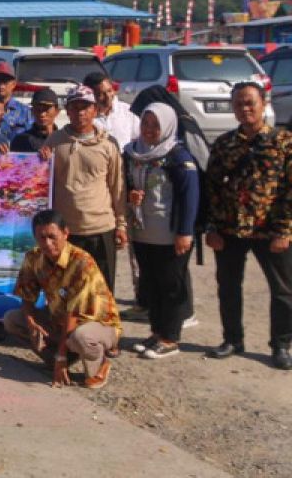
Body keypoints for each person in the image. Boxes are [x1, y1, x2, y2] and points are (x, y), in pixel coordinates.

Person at [204, 82, 292, 369]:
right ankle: (232, 338)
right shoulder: (224, 144)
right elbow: (213, 188)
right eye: (239, 104)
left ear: (263, 103)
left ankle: (281, 344)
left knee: (283, 290)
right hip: (231, 229)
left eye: (250, 103)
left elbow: (289, 190)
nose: (244, 109)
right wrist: (213, 228)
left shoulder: (283, 142)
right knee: (228, 286)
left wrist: (284, 229)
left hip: (270, 229)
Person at [3, 209, 121, 390]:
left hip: (95, 322)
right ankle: (57, 359)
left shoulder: (82, 262)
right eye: (41, 238)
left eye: (53, 237)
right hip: (60, 320)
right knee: (12, 320)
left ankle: (99, 364)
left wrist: (61, 356)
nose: (48, 243)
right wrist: (31, 321)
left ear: (66, 233)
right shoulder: (33, 257)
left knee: (81, 337)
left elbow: (73, 313)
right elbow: (27, 295)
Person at [123, 103, 198, 359]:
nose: (150, 130)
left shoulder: (178, 157)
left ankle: (170, 338)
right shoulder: (133, 153)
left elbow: (190, 197)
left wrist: (185, 232)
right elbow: (126, 183)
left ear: (167, 126)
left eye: (156, 125)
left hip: (170, 234)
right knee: (151, 284)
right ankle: (156, 332)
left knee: (171, 286)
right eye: (146, 123)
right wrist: (130, 195)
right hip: (144, 232)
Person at [44, 85, 128, 296]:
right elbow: (44, 184)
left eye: (85, 107)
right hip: (67, 231)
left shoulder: (108, 144)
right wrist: (41, 161)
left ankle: (104, 327)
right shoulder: (54, 142)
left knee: (102, 289)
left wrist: (121, 225)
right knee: (68, 289)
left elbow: (118, 187)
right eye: (75, 107)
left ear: (95, 110)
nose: (80, 112)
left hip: (101, 228)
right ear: (67, 110)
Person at [84, 72, 139, 152]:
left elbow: (138, 138)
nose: (108, 96)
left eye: (109, 91)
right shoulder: (86, 117)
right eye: (101, 94)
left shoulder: (127, 111)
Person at [11, 88, 60, 153]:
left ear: (57, 111)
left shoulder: (63, 140)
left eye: (46, 109)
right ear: (32, 111)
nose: (42, 114)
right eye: (38, 109)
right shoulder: (21, 140)